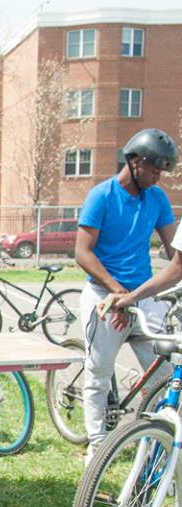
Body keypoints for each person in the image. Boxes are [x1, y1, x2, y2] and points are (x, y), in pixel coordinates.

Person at [75, 128, 178, 459]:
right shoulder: (101, 196)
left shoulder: (157, 198)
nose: (158, 177)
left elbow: (172, 247)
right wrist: (117, 293)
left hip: (142, 298)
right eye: (154, 169)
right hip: (104, 296)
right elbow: (83, 253)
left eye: (162, 171)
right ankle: (97, 445)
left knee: (163, 374)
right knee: (99, 372)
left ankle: (152, 437)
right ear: (134, 162)